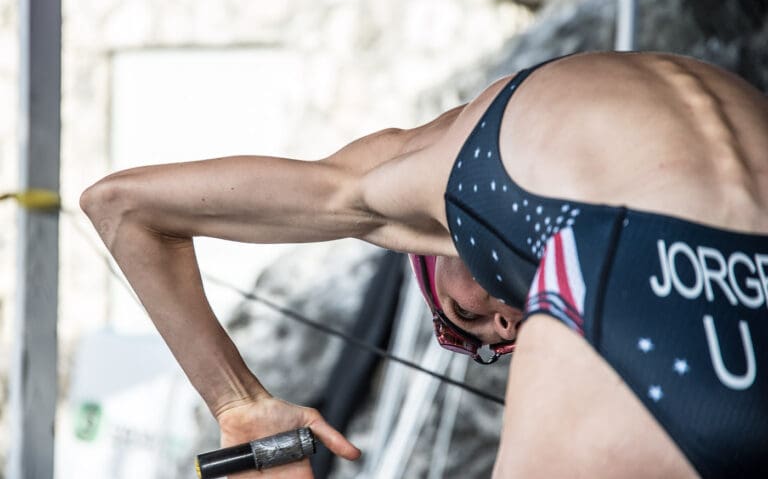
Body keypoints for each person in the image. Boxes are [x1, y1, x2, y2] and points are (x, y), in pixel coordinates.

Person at [80, 51, 768, 478]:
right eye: (510, 330)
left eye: (471, 316)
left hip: (627, 264)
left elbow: (123, 206)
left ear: (418, 247)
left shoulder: (412, 178)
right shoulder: (599, 112)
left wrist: (241, 403)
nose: (508, 320)